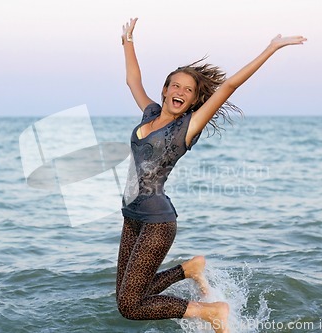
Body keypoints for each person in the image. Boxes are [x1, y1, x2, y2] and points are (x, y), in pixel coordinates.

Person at [116, 17, 306, 333]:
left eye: (188, 90)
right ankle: (189, 269)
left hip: (156, 221)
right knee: (128, 294)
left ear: (193, 100)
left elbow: (230, 85)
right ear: (165, 90)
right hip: (131, 216)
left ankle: (211, 311)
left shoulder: (187, 127)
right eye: (175, 85)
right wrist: (128, 41)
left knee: (130, 305)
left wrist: (271, 48)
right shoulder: (150, 113)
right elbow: (132, 81)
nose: (180, 91)